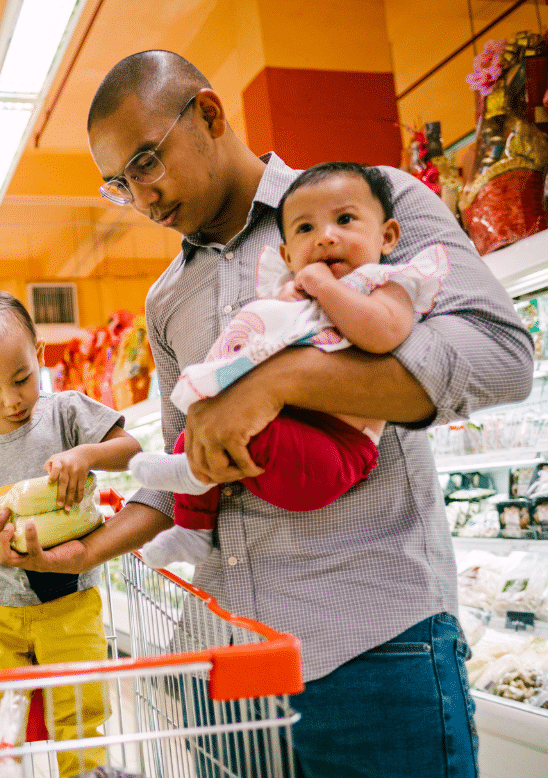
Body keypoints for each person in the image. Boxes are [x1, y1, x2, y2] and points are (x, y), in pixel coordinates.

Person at [0, 50, 534, 778]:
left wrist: (278, 383)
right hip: (224, 671)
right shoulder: (167, 300)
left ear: (209, 114)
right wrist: (88, 551)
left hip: (372, 652)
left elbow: (500, 357)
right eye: (120, 184)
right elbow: (188, 466)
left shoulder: (367, 207)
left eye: (147, 161)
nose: (143, 199)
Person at [131, 161, 450, 567]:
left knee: (238, 435)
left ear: (387, 236)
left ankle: (193, 474)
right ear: (286, 254)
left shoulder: (386, 284)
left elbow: (382, 333)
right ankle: (193, 530)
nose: (326, 238)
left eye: (345, 220)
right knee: (199, 431)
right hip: (290, 429)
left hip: (338, 450)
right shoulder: (286, 292)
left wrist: (325, 288)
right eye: (305, 230)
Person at [0, 290, 142, 778]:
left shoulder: (67, 412)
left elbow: (131, 450)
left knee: (82, 712)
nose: (13, 399)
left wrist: (85, 455)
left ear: (39, 356)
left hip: (70, 597)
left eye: (22, 378)